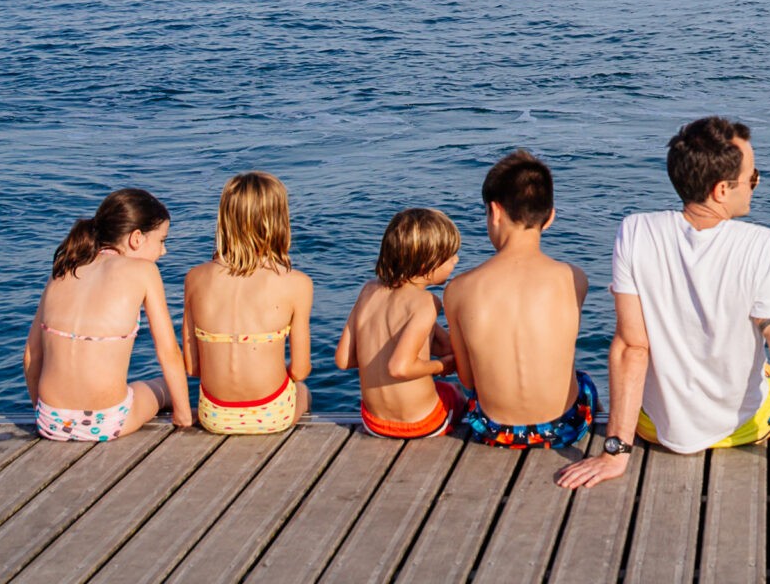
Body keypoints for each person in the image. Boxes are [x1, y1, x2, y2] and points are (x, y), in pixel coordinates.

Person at [557, 116, 770, 490]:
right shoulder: (761, 245)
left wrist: (614, 453)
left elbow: (630, 347)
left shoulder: (635, 231)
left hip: (654, 429)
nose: (756, 184)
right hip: (743, 430)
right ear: (721, 190)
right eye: (752, 177)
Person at [444, 151, 598, 449]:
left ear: (495, 212)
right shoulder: (574, 278)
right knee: (584, 381)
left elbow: (468, 380)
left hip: (494, 432)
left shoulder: (458, 289)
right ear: (550, 218)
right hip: (563, 429)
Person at [25, 188, 192, 441]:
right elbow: (168, 353)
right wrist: (183, 415)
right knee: (164, 388)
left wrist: (42, 412)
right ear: (137, 238)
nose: (163, 251)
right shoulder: (144, 271)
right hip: (107, 422)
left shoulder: (64, 269)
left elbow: (31, 355)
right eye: (161, 240)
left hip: (50, 421)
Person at [182, 172, 314, 435]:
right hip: (272, 414)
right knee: (303, 390)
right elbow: (300, 371)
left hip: (213, 415)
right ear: (278, 221)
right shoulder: (297, 283)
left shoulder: (194, 278)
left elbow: (193, 368)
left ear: (225, 220)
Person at [337, 208, 464, 440]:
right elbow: (400, 368)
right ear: (426, 265)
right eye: (450, 256)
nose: (456, 260)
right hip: (422, 424)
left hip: (374, 422)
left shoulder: (368, 290)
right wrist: (441, 366)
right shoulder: (426, 302)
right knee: (454, 392)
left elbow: (344, 360)